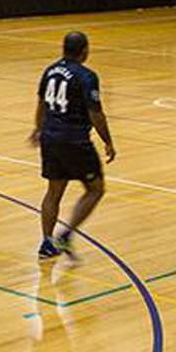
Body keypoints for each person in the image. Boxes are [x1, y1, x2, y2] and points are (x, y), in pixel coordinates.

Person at [30, 31, 115, 261]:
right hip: (74, 140)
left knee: (54, 190)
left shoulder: (50, 71)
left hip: (50, 137)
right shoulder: (86, 77)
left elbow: (41, 103)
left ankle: (47, 243)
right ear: (84, 51)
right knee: (95, 188)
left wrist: (38, 129)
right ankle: (66, 235)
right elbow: (96, 113)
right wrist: (108, 141)